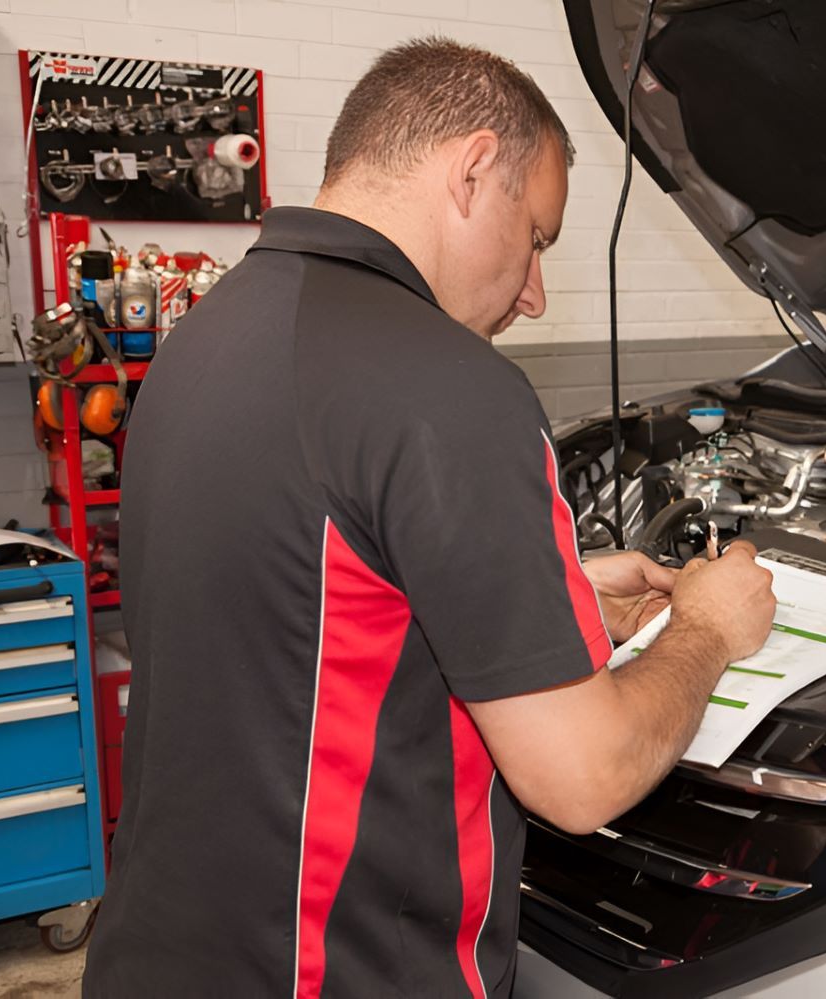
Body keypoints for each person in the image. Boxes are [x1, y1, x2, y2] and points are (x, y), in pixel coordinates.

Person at [83, 38, 775, 998]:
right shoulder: (451, 387)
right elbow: (585, 776)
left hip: (158, 958)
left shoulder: (209, 335)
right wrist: (708, 628)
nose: (534, 295)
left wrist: (554, 590)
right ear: (473, 169)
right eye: (536, 238)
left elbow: (296, 606)